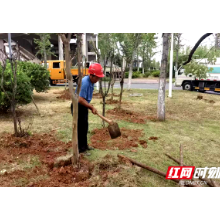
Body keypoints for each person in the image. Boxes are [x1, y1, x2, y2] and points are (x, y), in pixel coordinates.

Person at [71, 63, 104, 154]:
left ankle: (84, 146)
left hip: (83, 106)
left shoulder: (91, 81)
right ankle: (81, 150)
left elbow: (84, 98)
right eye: (97, 77)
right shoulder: (85, 82)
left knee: (84, 127)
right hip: (78, 106)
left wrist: (89, 106)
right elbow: (80, 99)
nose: (98, 79)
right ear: (91, 75)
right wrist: (91, 107)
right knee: (80, 129)